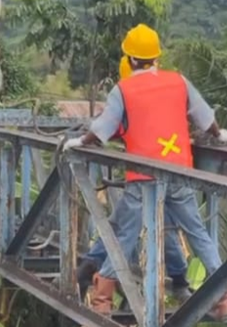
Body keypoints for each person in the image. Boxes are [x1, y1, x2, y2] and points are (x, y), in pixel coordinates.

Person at [62, 24, 227, 324]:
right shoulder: (178, 82)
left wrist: (80, 141)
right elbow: (204, 116)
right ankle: (226, 303)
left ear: (130, 59)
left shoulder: (124, 89)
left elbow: (103, 130)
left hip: (143, 179)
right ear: (157, 57)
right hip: (179, 174)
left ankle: (102, 303)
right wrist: (219, 134)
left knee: (125, 238)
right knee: (199, 235)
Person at [77, 54, 193, 305]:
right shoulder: (159, 92)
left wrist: (89, 136)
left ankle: (91, 270)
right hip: (163, 174)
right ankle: (179, 280)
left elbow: (112, 129)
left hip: (147, 176)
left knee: (127, 225)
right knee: (153, 226)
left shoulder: (133, 95)